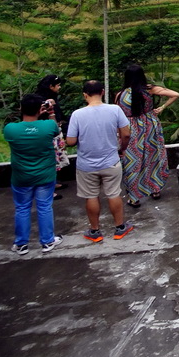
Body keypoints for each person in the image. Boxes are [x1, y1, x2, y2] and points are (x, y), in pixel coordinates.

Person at [65, 80, 133, 242]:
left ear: (84, 95)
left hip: (86, 165)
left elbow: (71, 141)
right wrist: (122, 149)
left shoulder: (77, 114)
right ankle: (119, 228)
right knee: (114, 193)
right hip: (111, 161)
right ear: (102, 92)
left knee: (91, 196)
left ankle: (95, 231)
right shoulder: (115, 110)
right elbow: (126, 134)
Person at [4, 93, 62, 255]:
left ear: (21, 108)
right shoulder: (48, 127)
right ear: (40, 109)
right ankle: (47, 241)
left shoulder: (10, 129)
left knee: (22, 208)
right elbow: (56, 130)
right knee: (44, 207)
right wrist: (50, 112)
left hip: (21, 177)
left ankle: (21, 244)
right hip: (45, 176)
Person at [115, 64, 178, 208]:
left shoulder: (120, 94)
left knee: (132, 162)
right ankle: (155, 189)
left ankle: (133, 197)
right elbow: (175, 94)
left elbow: (118, 115)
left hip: (130, 129)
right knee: (153, 157)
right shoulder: (150, 89)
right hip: (150, 126)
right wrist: (162, 107)